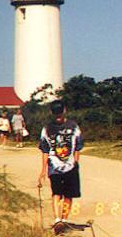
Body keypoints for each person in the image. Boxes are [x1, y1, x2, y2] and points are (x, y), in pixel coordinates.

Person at [38, 100, 84, 234]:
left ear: (64, 110)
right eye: (55, 112)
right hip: (54, 166)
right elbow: (45, 150)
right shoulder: (47, 129)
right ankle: (57, 219)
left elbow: (78, 147)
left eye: (60, 112)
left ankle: (64, 220)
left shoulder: (74, 126)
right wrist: (43, 170)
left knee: (69, 195)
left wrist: (75, 163)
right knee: (56, 193)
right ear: (51, 112)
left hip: (71, 166)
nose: (58, 115)